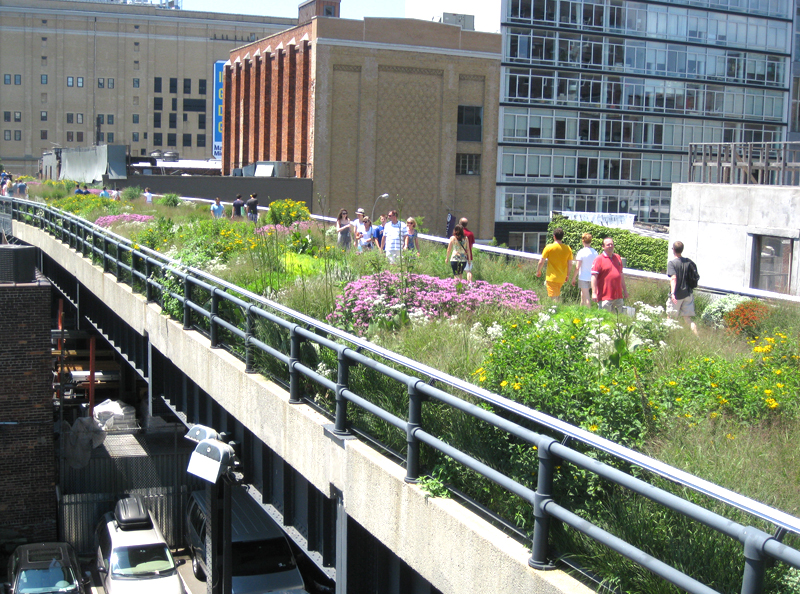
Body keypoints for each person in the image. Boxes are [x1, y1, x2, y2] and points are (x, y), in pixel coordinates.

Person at [667, 241, 699, 335]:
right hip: (688, 294)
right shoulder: (688, 262)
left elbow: (673, 278)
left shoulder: (672, 263)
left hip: (677, 295)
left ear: (673, 250)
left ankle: (669, 337)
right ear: (682, 250)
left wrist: (673, 293)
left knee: (670, 317)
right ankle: (697, 337)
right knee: (688, 319)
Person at [535, 227, 573, 302]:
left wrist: (538, 271)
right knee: (557, 294)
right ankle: (558, 309)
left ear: (554, 236)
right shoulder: (568, 248)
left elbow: (541, 261)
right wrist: (567, 275)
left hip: (552, 277)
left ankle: (554, 310)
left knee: (553, 297)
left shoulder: (549, 247)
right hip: (562, 277)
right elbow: (570, 263)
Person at [591, 237, 628, 313]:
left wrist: (625, 290)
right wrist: (594, 293)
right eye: (608, 245)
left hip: (618, 297)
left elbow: (621, 275)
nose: (610, 246)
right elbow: (594, 276)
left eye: (612, 244)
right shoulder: (599, 259)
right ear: (603, 247)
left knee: (618, 321)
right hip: (605, 297)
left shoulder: (617, 258)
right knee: (605, 320)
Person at [570, 232, 598, 307]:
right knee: (583, 294)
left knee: (586, 297)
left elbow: (577, 267)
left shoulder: (581, 252)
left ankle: (589, 314)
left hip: (583, 277)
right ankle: (581, 308)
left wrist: (573, 278)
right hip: (592, 277)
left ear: (583, 241)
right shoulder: (595, 252)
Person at [460, 218, 475, 282]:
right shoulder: (470, 234)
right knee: (468, 271)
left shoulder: (457, 233)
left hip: (458, 254)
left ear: (460, 223)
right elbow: (471, 245)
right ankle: (469, 285)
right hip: (468, 255)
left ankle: (458, 286)